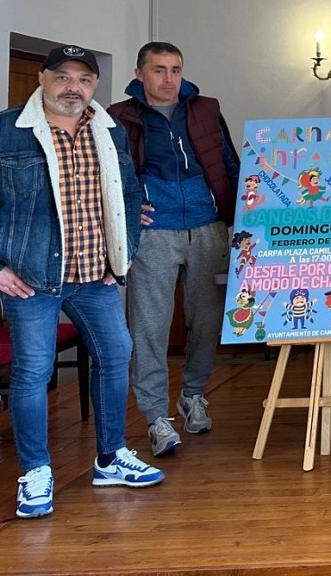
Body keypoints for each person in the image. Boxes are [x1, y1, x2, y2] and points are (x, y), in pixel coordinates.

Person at [0, 45, 164, 519]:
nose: (74, 87)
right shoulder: (8, 130)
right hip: (32, 278)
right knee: (32, 372)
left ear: (95, 84)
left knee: (116, 355)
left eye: (85, 79)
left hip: (96, 276)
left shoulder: (108, 132)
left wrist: (123, 255)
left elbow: (130, 196)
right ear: (42, 77)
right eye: (64, 76)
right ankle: (35, 472)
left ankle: (110, 457)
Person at [108, 42, 239, 458]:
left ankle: (193, 395)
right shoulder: (119, 116)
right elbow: (108, 175)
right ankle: (154, 417)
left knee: (206, 320)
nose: (169, 79)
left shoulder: (205, 108)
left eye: (176, 69)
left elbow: (228, 162)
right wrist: (130, 213)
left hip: (207, 225)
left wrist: (237, 217)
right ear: (140, 73)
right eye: (160, 70)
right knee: (150, 326)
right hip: (155, 233)